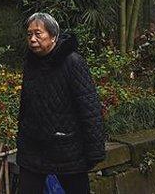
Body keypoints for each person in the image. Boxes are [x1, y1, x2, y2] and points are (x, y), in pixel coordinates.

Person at [16, 12, 106, 194]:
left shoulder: (73, 63)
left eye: (38, 34)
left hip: (67, 147)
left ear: (54, 36)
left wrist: (94, 151)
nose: (32, 39)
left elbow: (89, 108)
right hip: (34, 148)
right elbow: (25, 106)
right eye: (29, 34)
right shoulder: (31, 64)